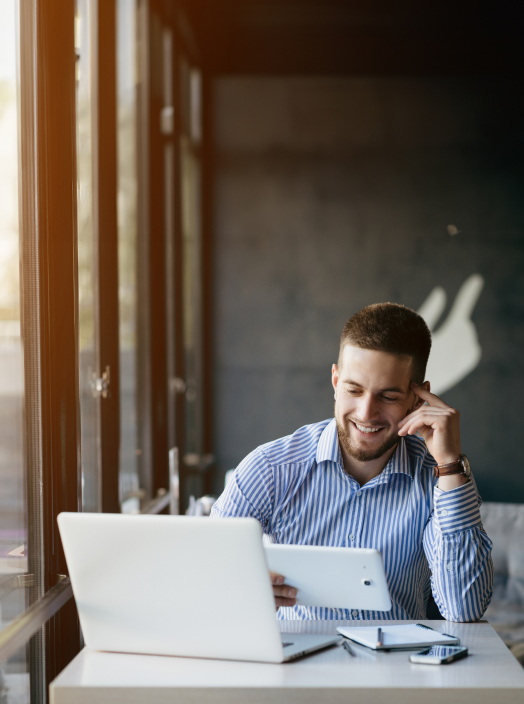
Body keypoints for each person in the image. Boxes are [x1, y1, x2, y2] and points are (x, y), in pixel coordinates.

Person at [211, 303, 493, 622]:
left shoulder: (438, 477)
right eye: (354, 390)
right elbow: (206, 576)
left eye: (388, 396)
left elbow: (464, 610)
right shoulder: (269, 470)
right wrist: (240, 587)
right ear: (335, 381)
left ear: (418, 399)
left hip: (397, 668)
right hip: (294, 668)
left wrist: (450, 463)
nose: (365, 413)